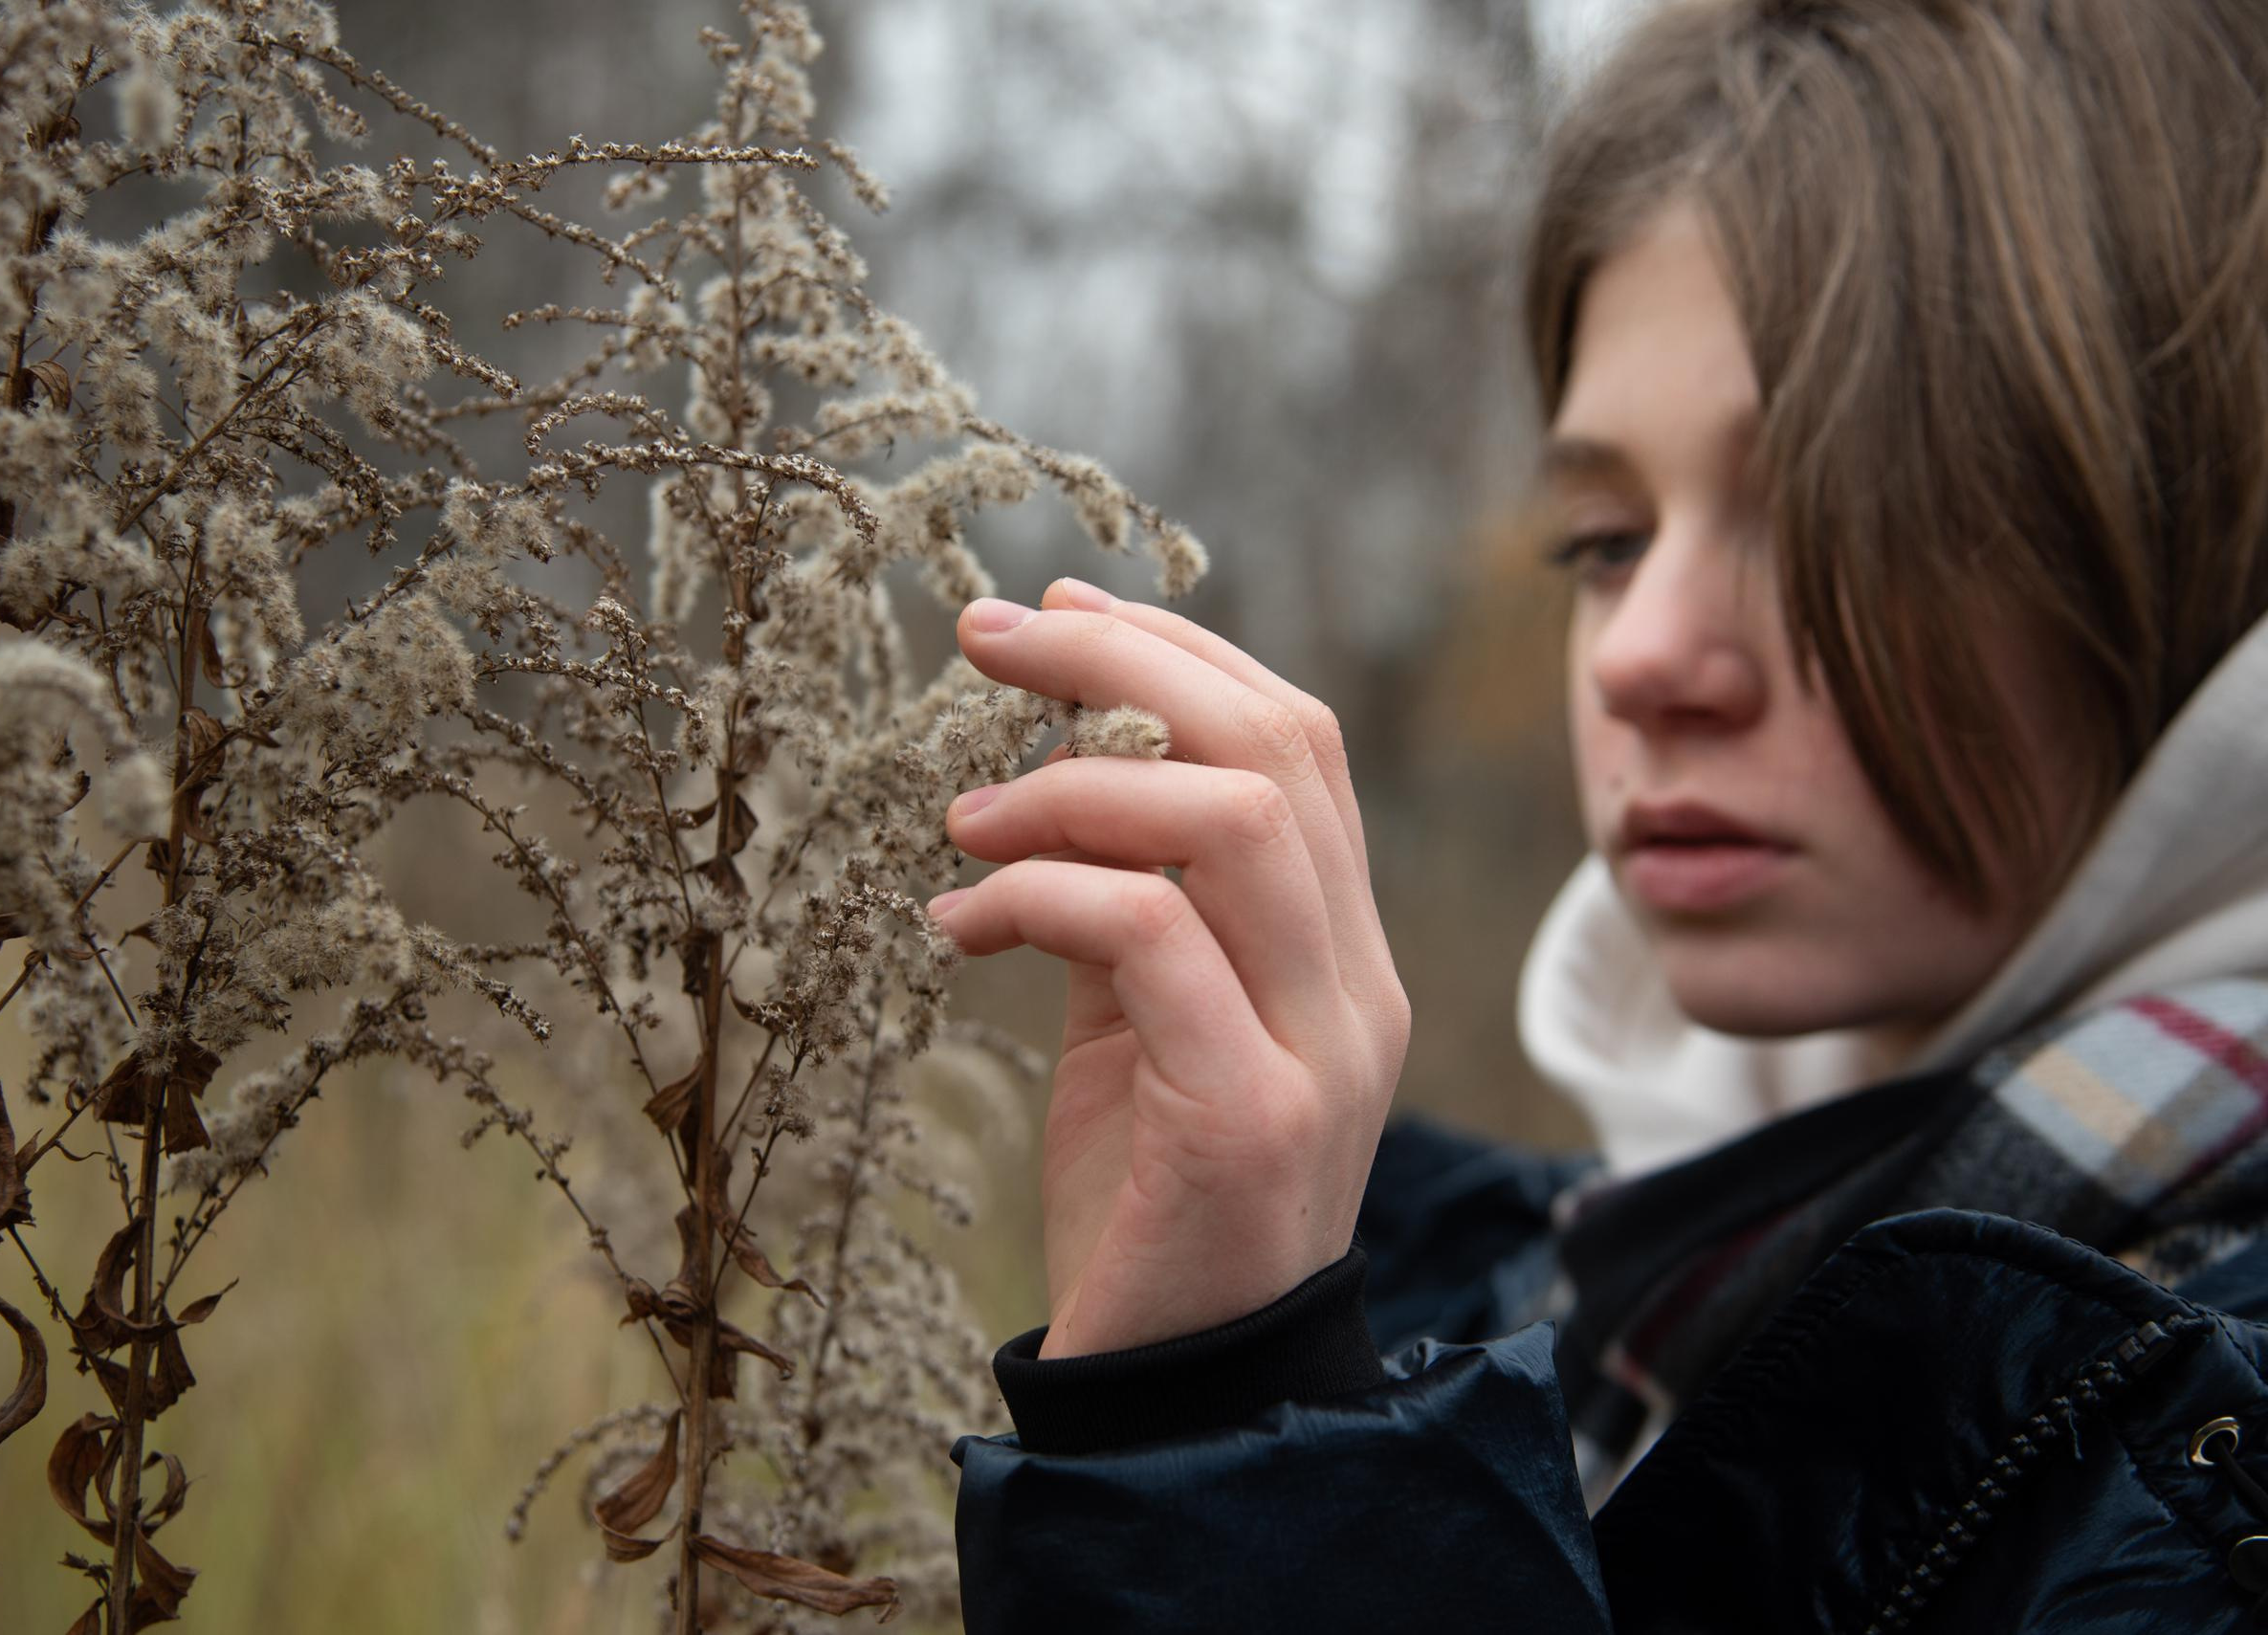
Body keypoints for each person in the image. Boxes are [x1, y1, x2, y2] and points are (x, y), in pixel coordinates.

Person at [926, 0, 2268, 1628]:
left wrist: (1248, 1475)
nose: (1639, 656)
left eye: (1837, 511)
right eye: (1607, 539)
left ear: (2199, 531)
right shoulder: (1533, 1287)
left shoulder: (2217, 1484)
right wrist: (1227, 1392)